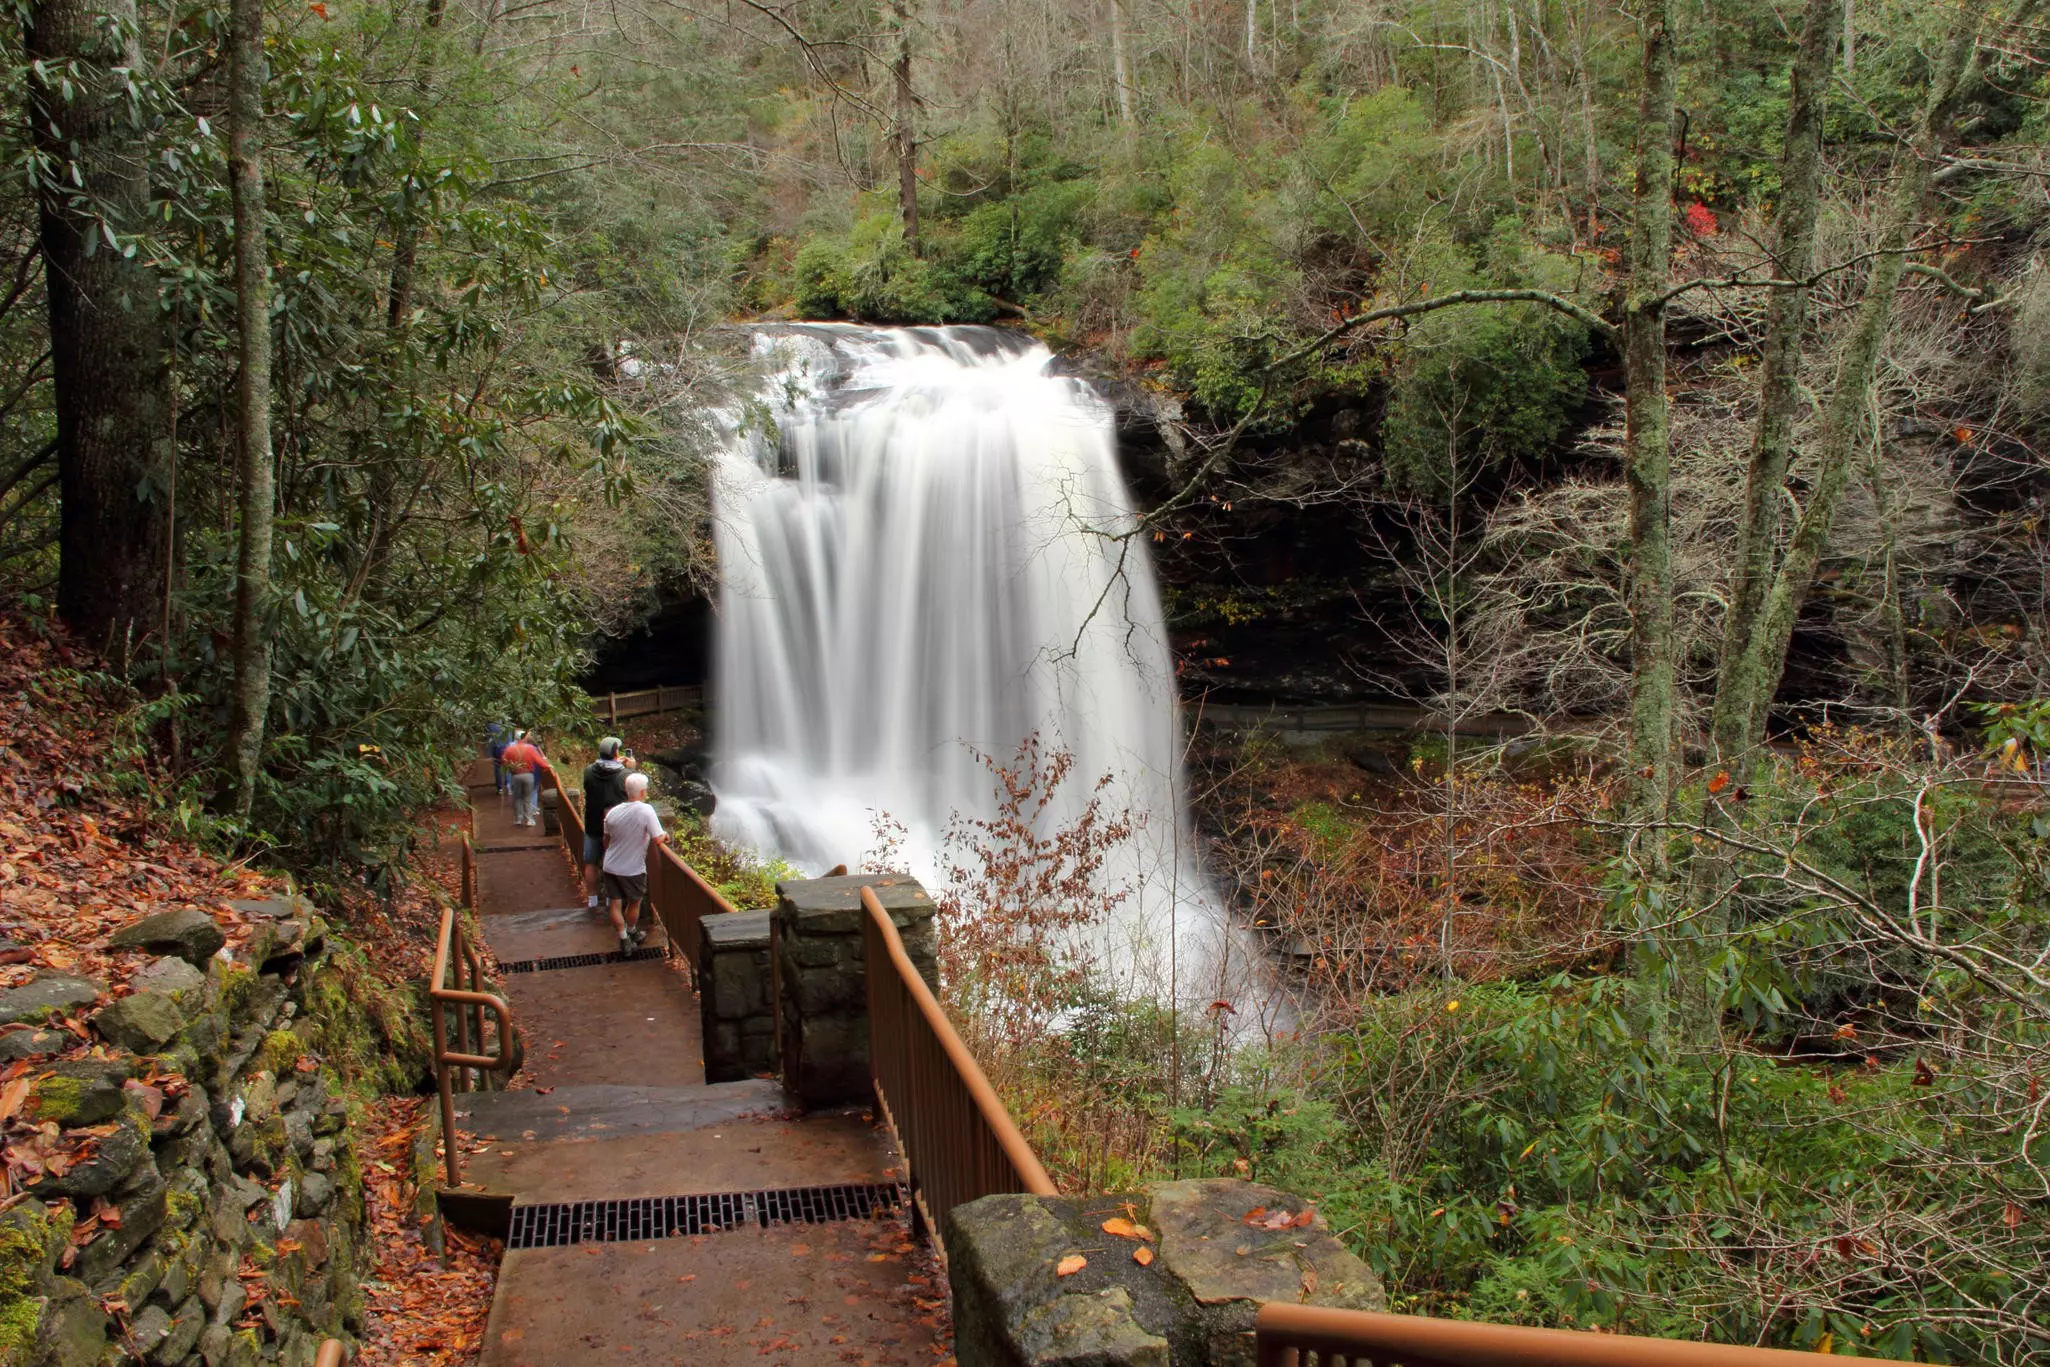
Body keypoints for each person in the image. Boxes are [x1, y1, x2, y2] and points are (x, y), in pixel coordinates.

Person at [601, 771, 667, 954]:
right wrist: (666, 835)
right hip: (632, 869)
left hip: (610, 865)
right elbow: (658, 838)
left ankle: (623, 938)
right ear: (643, 792)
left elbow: (605, 840)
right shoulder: (646, 810)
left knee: (615, 904)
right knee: (634, 902)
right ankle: (631, 932)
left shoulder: (613, 812)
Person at [580, 737, 630, 910]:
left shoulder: (588, 771)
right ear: (616, 753)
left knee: (591, 862)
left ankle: (592, 900)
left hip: (592, 822)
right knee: (613, 861)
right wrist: (630, 768)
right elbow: (634, 790)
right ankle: (611, 898)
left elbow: (588, 786)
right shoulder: (624, 775)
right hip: (615, 826)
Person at [501, 729, 545, 828]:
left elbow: (503, 760)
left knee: (517, 798)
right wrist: (548, 766)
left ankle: (518, 819)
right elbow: (539, 761)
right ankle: (529, 819)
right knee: (527, 798)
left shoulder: (510, 749)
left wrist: (511, 767)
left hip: (515, 776)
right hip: (528, 775)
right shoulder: (530, 748)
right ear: (524, 738)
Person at [486, 722, 511, 796]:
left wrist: (489, 753)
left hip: (497, 748)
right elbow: (509, 738)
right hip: (506, 748)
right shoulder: (506, 723)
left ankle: (500, 788)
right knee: (508, 767)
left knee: (497, 768)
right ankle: (509, 787)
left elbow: (489, 739)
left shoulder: (490, 725)